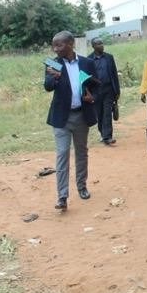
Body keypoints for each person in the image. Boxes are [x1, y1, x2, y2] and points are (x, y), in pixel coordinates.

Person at [44, 31, 99, 211]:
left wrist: (92, 97)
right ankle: (62, 196)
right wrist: (55, 77)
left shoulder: (87, 63)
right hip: (61, 117)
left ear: (70, 44)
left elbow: (96, 85)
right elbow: (47, 87)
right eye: (54, 45)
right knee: (62, 155)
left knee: (81, 152)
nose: (55, 49)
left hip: (81, 115)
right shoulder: (53, 63)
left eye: (59, 45)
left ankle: (82, 186)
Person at [88, 38, 121, 145]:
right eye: (98, 44)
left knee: (107, 113)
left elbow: (114, 74)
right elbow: (85, 77)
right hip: (95, 90)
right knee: (99, 114)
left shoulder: (109, 57)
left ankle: (107, 136)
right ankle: (103, 134)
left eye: (102, 43)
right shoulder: (89, 60)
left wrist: (117, 90)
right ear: (93, 46)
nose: (101, 45)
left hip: (108, 89)